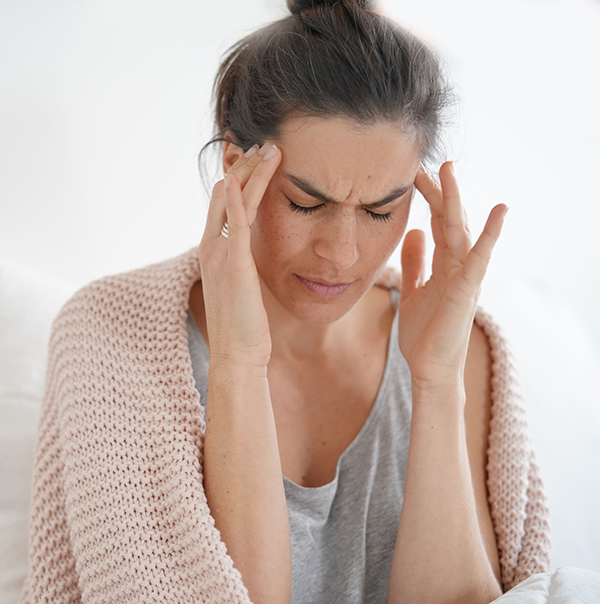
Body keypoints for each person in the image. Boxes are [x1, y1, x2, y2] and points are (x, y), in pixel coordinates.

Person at [20, 0, 550, 603]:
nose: (343, 254)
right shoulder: (107, 334)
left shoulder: (466, 349)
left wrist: (435, 382)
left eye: (381, 210)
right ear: (235, 168)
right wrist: (239, 361)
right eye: (306, 203)